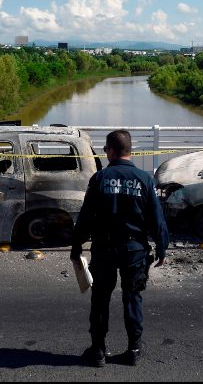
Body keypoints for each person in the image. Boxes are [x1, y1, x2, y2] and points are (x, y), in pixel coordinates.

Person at [70, 130, 169, 367]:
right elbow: (157, 219)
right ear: (130, 151)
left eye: (106, 150)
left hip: (104, 249)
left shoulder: (100, 178)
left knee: (101, 298)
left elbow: (85, 218)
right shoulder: (144, 179)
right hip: (134, 249)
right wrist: (162, 248)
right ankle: (134, 349)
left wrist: (76, 247)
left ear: (112, 151)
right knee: (132, 297)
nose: (106, 154)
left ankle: (97, 351)